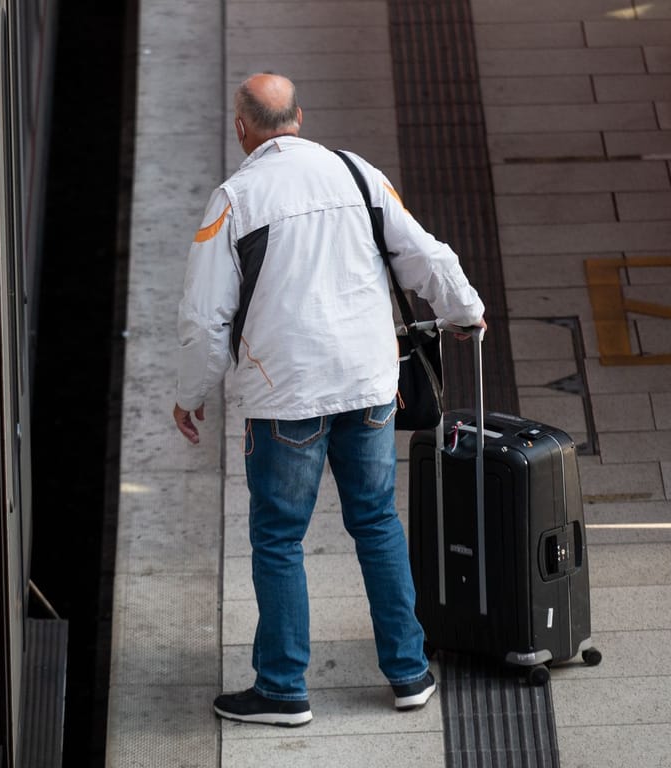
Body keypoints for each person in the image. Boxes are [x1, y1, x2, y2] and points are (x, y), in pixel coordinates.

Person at [173, 73, 486, 727]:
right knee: (376, 522)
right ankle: (408, 673)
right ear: (299, 118)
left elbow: (206, 320)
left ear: (241, 128)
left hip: (286, 394)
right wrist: (466, 310)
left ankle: (283, 689)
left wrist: (190, 393)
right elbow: (422, 255)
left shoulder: (234, 199)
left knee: (280, 539)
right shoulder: (357, 174)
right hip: (370, 384)